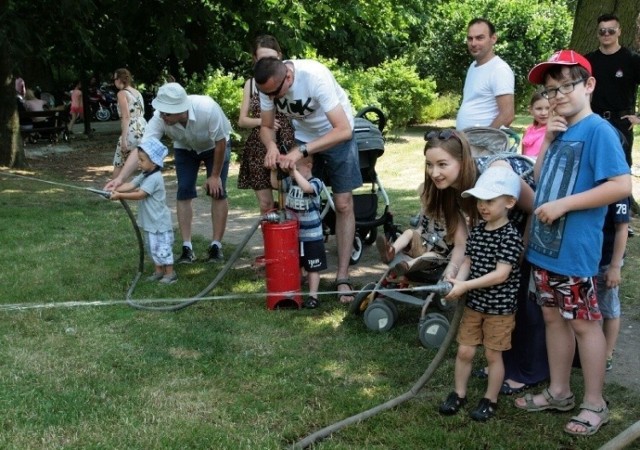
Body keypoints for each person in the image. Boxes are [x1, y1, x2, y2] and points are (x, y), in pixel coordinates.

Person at [514, 50, 631, 437]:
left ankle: (595, 403)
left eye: (566, 85)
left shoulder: (599, 130)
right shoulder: (561, 130)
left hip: (575, 252)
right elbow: (539, 177)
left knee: (584, 325)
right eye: (550, 90)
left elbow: (621, 185)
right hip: (546, 250)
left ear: (589, 85)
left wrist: (564, 205)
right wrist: (546, 139)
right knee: (553, 319)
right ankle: (559, 391)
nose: (557, 95)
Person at [254, 56, 362, 304]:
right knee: (297, 201)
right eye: (266, 95)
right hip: (304, 138)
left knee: (343, 204)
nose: (271, 99)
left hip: (337, 136)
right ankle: (300, 269)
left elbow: (343, 129)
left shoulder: (314, 77)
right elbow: (267, 126)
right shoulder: (268, 86)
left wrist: (301, 151)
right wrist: (270, 146)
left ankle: (342, 277)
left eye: (275, 93)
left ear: (288, 78)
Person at [105, 82, 233, 264]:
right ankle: (187, 248)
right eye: (161, 111)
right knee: (184, 192)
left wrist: (214, 176)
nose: (163, 116)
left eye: (167, 113)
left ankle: (216, 246)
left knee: (217, 192)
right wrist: (120, 178)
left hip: (215, 147)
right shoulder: (160, 118)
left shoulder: (207, 108)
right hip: (185, 149)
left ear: (182, 109)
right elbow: (143, 148)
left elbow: (221, 142)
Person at [439, 166, 524, 422]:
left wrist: (466, 286)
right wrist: (458, 282)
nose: (483, 206)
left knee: (492, 355)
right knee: (465, 351)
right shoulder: (477, 231)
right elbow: (468, 261)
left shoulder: (510, 236)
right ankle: (459, 393)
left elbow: (501, 275)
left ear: (510, 202)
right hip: (474, 306)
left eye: (490, 200)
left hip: (499, 309)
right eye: (479, 201)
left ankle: (490, 399)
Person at [238, 35, 295, 266]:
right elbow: (242, 120)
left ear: (279, 57)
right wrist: (263, 121)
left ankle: (290, 250)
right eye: (261, 59)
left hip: (288, 144)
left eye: (270, 58)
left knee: (289, 201)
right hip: (259, 146)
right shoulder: (252, 84)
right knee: (265, 204)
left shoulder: (290, 80)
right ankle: (271, 250)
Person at [110, 138, 177, 284]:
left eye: (142, 160)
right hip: (150, 221)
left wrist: (120, 195)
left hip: (159, 223)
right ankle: (159, 272)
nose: (138, 162)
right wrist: (113, 189)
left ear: (154, 162)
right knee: (153, 247)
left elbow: (140, 194)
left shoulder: (155, 178)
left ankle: (170, 274)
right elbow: (131, 185)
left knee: (163, 249)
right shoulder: (145, 174)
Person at [270, 155, 327, 308]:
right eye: (290, 169)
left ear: (308, 166)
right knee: (295, 264)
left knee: (313, 266)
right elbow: (275, 184)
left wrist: (294, 171)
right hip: (293, 235)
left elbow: (308, 189)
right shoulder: (290, 181)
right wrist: (274, 170)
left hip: (312, 235)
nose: (291, 172)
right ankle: (295, 290)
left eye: (296, 168)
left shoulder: (316, 182)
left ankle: (313, 296)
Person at [586, 13, 640, 168]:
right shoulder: (588, 61)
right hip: (593, 121)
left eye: (611, 30)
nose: (606, 34)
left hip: (621, 123)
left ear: (619, 31)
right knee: (592, 166)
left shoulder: (632, 60)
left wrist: (639, 118)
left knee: (620, 168)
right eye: (602, 31)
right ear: (597, 33)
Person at [455, 18, 515, 131]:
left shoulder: (499, 69)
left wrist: (483, 139)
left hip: (484, 146)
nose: (473, 43)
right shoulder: (473, 66)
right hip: (467, 143)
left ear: (493, 39)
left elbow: (507, 116)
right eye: (470, 38)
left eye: (479, 38)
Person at [597, 197, 629, 371]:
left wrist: (615, 266)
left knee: (609, 308)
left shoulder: (619, 194)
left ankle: (607, 353)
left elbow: (622, 228)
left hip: (607, 261)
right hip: (590, 259)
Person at [112, 68, 147, 179]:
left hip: (131, 130)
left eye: (114, 79)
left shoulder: (122, 94)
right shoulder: (137, 92)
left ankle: (113, 190)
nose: (114, 81)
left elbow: (126, 117)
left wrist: (123, 140)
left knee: (119, 163)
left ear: (119, 79)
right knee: (138, 161)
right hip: (143, 128)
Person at [521, 92, 550, 159]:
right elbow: (523, 156)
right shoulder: (528, 130)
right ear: (531, 110)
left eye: (548, 108)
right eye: (539, 108)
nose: (543, 113)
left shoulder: (554, 131)